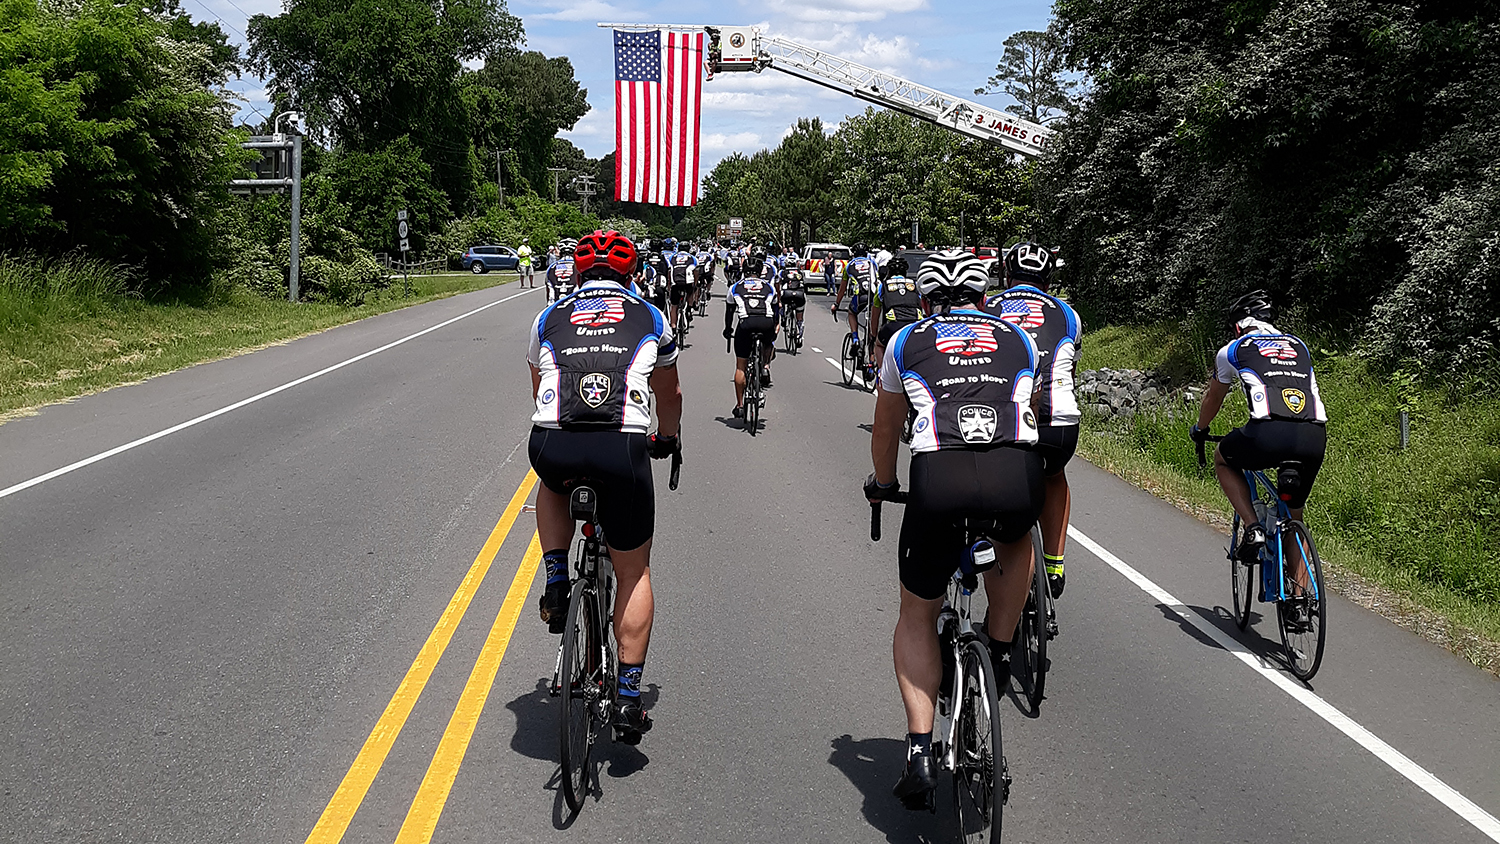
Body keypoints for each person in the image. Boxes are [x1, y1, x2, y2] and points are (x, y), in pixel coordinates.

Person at [865, 249, 1043, 810]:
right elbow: (1027, 404)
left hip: (938, 480)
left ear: (924, 303)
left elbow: (886, 427)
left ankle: (920, 751)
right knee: (1016, 538)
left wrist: (884, 484)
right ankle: (1001, 647)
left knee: (917, 613)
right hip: (1014, 474)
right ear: (986, 301)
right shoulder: (1020, 339)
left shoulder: (905, 342)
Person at [528, 230, 682, 743]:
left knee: (550, 482)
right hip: (622, 450)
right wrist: (667, 438)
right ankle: (629, 699)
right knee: (633, 574)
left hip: (554, 442)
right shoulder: (651, 317)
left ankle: (555, 578)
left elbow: (539, 390)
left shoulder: (548, 315)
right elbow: (670, 392)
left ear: (575, 271)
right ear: (632, 274)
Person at [1191, 290, 1328, 587]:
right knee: (1294, 515)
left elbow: (1214, 398)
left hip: (1268, 434)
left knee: (1223, 459)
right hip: (1313, 436)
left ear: (1239, 325)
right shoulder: (1298, 345)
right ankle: (1300, 602)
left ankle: (1253, 528)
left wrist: (1201, 429)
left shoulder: (1233, 348)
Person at [984, 242, 1082, 598]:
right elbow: (1069, 367)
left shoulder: (989, 307)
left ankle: (1002, 566)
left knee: (999, 487)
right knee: (1054, 475)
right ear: (1048, 280)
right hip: (1059, 422)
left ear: (1007, 275)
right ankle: (1055, 563)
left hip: (1005, 422)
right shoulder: (1069, 314)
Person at [723, 247, 780, 419]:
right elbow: (776, 309)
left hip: (746, 324)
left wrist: (728, 330)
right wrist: (775, 326)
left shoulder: (735, 287)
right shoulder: (769, 287)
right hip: (766, 322)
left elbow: (729, 312)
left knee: (741, 366)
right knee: (769, 342)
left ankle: (740, 405)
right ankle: (763, 367)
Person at [832, 243, 880, 379]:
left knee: (851, 312)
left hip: (860, 296)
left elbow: (842, 289)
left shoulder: (849, 266)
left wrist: (836, 304)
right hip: (874, 296)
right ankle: (871, 366)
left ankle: (854, 339)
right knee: (872, 333)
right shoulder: (872, 263)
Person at [870, 255, 921, 368]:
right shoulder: (915, 285)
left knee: (879, 345)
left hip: (893, 325)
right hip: (914, 325)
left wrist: (873, 335)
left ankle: (882, 376)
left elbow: (875, 315)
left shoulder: (882, 287)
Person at [662, 237, 697, 332]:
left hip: (675, 282)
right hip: (687, 282)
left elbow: (669, 271)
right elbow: (695, 270)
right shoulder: (692, 258)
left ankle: (673, 327)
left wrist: (669, 285)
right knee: (690, 292)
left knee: (674, 306)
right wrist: (695, 284)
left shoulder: (672, 257)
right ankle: (689, 308)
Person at [779, 256, 808, 349]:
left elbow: (779, 283)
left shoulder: (782, 272)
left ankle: (783, 316)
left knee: (781, 299)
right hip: (799, 294)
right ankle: (800, 335)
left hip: (787, 294)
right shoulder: (800, 272)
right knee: (800, 317)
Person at [545, 239, 577, 303]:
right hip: (574, 305)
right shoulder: (579, 266)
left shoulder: (551, 267)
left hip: (554, 305)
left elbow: (548, 290)